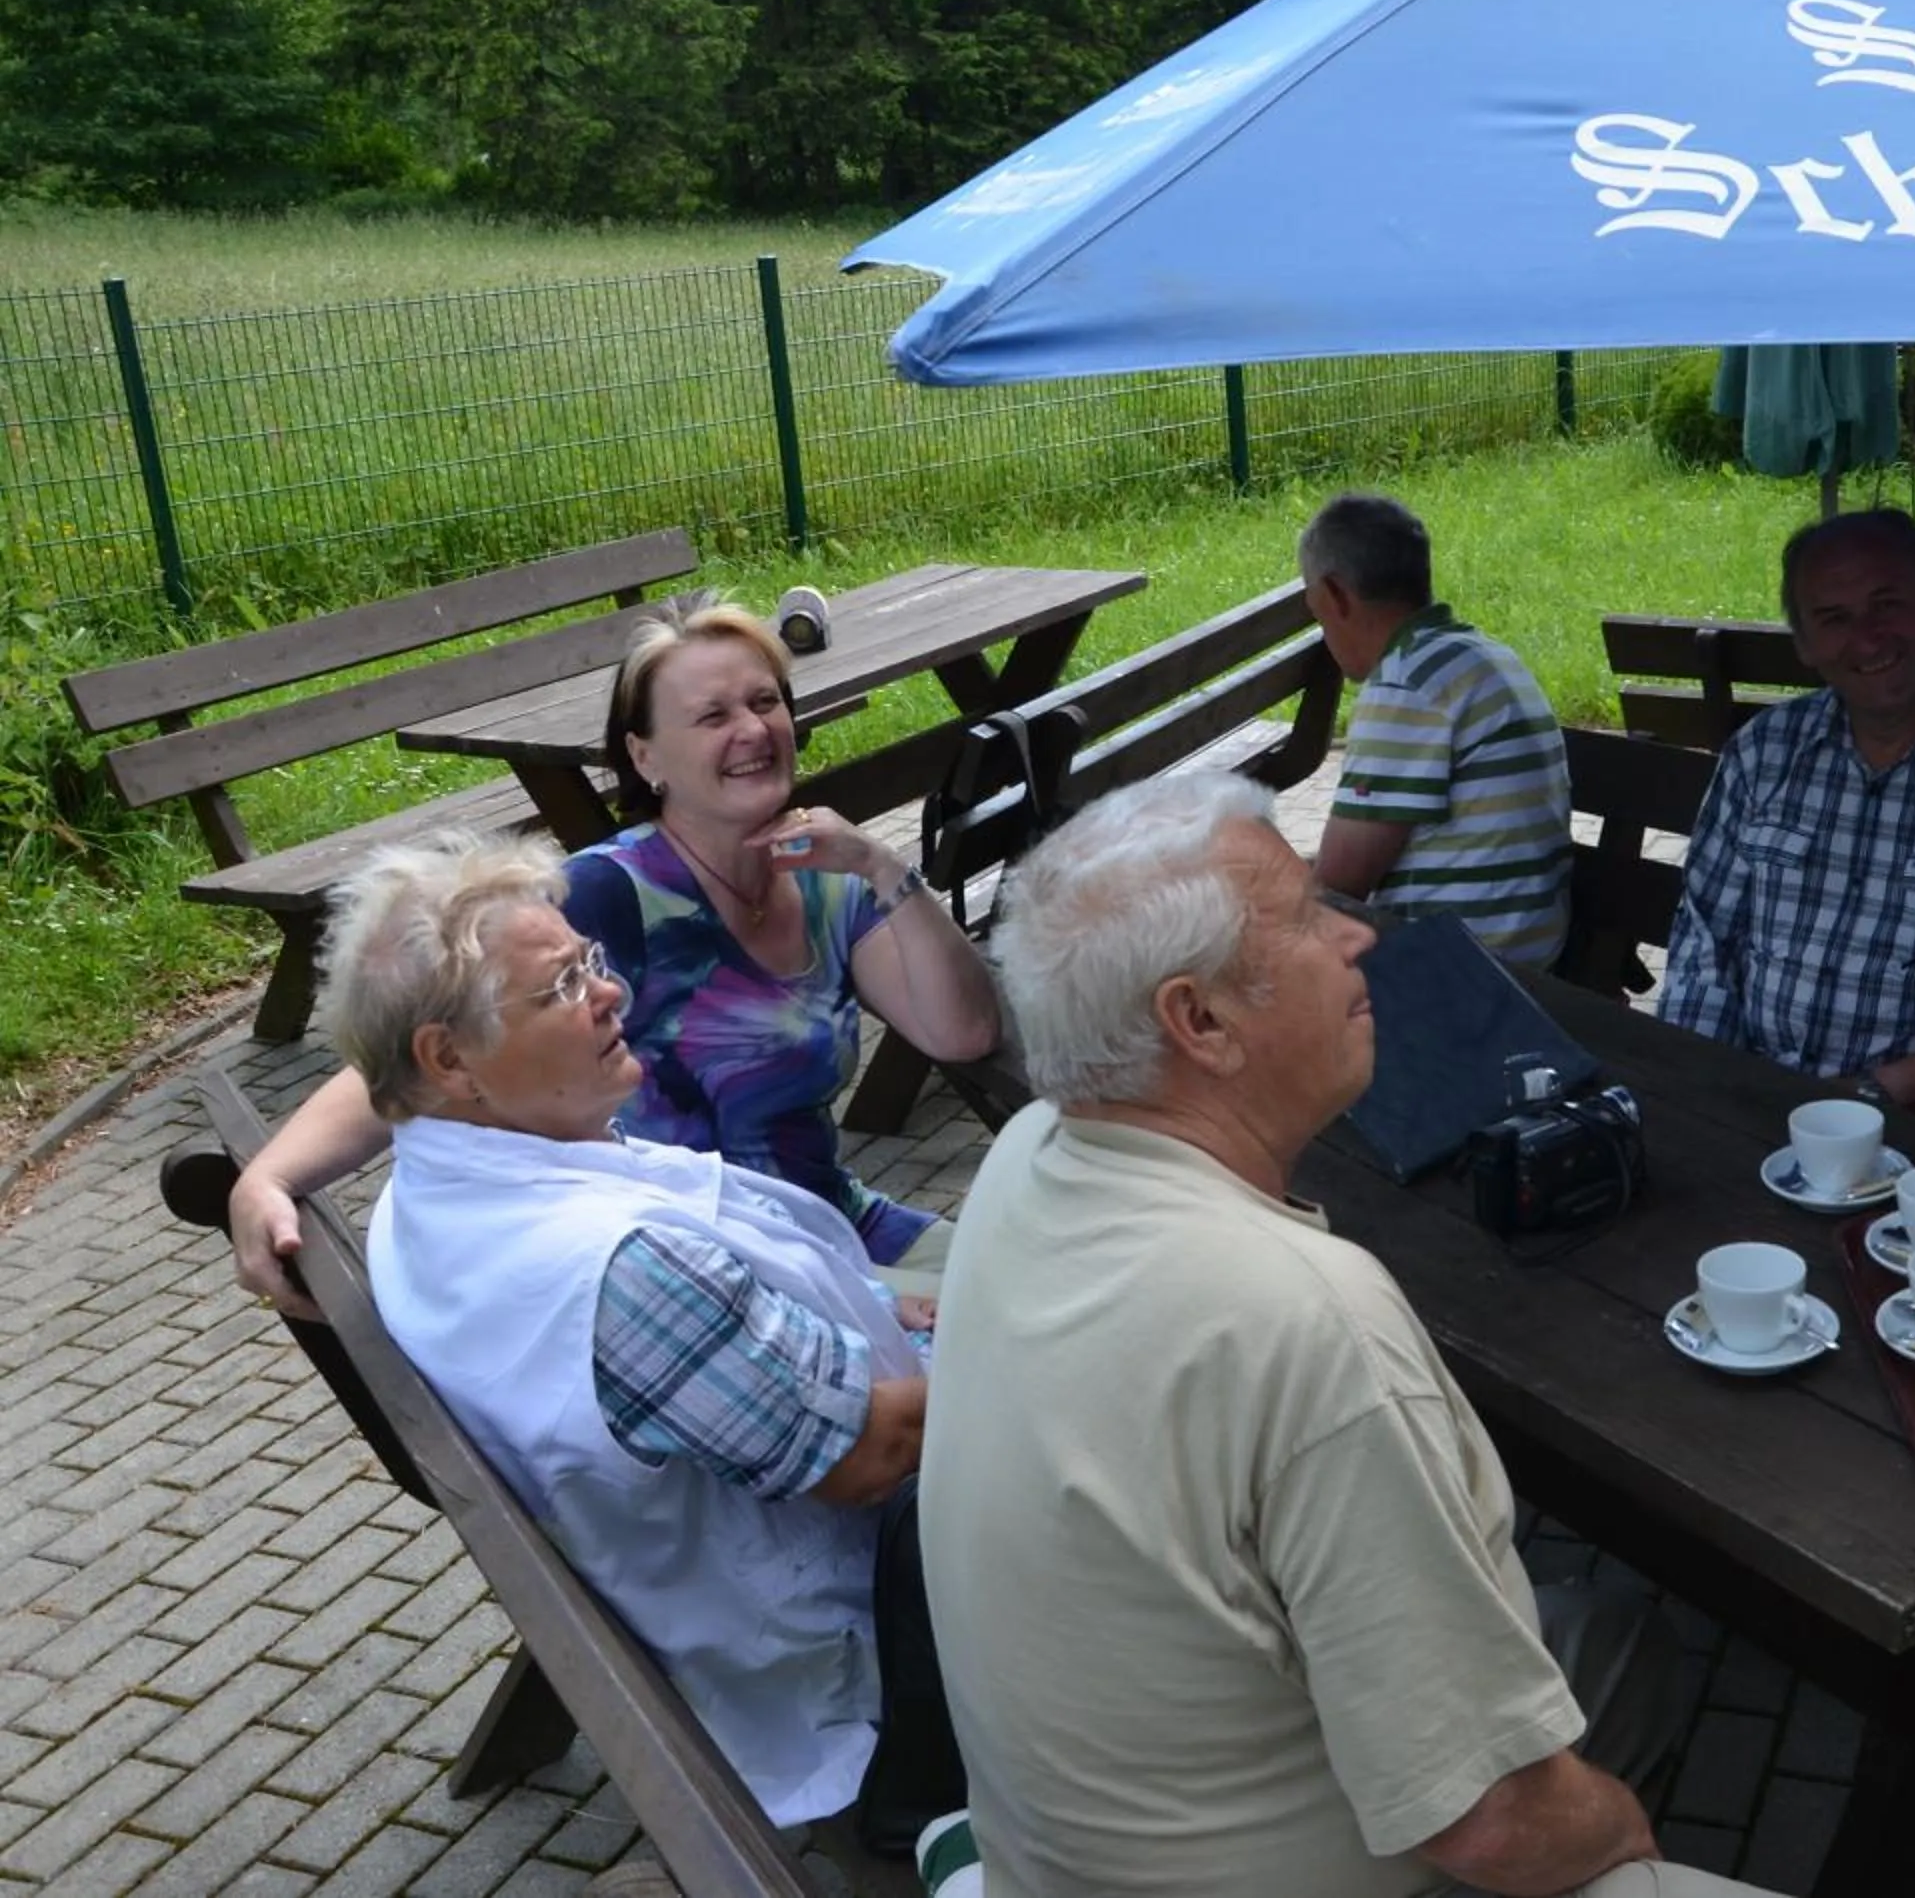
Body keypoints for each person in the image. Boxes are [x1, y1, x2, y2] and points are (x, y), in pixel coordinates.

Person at [925, 771, 1780, 1898]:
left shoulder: (1031, 1152)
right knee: (1596, 1775)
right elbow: (1487, 1825)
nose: (1358, 933)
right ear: (1201, 1021)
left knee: (1616, 1638)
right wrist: (1620, 1835)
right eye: (1307, 917)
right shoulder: (1304, 1313)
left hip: (1066, 1850)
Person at [319, 831, 946, 1837]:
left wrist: (862, 1292)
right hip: (866, 1656)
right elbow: (876, 1452)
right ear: (450, 1059)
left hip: (745, 1547)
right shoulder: (612, 1271)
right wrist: (1034, 1341)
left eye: (592, 960)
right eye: (565, 982)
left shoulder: (437, 1188)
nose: (610, 992)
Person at [227, 598, 1003, 1315]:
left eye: (766, 703)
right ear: (646, 756)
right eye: (712, 716)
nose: (752, 730)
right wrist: (272, 1176)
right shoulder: (607, 896)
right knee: (1009, 1340)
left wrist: (883, 866)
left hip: (832, 1221)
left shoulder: (830, 876)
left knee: (1045, 1288)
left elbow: (960, 1033)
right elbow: (428, 1043)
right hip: (701, 1264)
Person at [1659, 507, 1915, 1135]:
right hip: (1753, 1090)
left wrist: (1868, 1093)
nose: (1869, 637)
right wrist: (1708, 1089)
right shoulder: (1762, 752)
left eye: (1888, 603)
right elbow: (1705, 938)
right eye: (1834, 618)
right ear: (1803, 642)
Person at [1303, 491, 1574, 966]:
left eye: (1315, 612)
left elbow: (1339, 885)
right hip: (1529, 949)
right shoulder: (1480, 655)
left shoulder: (1407, 685)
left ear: (1335, 596)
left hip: (1465, 970)